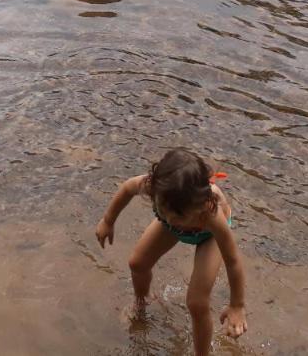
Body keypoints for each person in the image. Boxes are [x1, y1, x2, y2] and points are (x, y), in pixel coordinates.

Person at [95, 148, 248, 355]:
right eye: (163, 210)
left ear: (199, 206)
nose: (169, 218)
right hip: (174, 229)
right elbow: (127, 188)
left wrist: (236, 306)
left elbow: (233, 260)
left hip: (207, 237)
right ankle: (142, 301)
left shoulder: (211, 213)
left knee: (197, 302)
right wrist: (108, 220)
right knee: (137, 263)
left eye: (178, 215)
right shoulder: (156, 189)